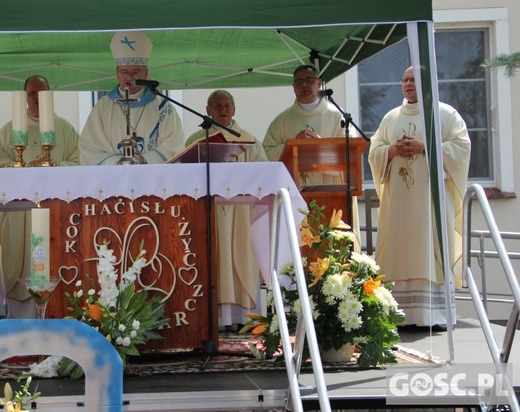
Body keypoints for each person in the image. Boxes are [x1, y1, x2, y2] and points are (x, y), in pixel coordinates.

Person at [368, 66, 470, 329]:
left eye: (414, 80)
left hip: (431, 204)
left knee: (432, 245)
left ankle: (432, 316)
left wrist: (424, 147)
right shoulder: (390, 118)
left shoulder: (445, 115)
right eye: (405, 80)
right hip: (399, 205)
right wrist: (390, 150)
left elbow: (461, 149)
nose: (408, 84)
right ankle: (398, 314)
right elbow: (374, 151)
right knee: (399, 249)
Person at [0, 75, 80, 318]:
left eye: (41, 93)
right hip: (19, 215)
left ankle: (54, 319)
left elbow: (80, 163)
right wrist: (23, 168)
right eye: (31, 93)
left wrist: (54, 165)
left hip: (55, 213)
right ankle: (19, 327)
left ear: (49, 95)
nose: (36, 98)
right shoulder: (9, 130)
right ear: (25, 97)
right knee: (19, 266)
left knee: (53, 267)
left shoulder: (64, 129)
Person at [184, 90, 267, 327]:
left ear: (234, 110)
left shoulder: (249, 140)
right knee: (212, 260)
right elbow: (184, 175)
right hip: (208, 214)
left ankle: (244, 319)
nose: (222, 109)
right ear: (208, 111)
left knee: (240, 257)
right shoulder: (196, 140)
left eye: (227, 105)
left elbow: (263, 172)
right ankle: (212, 319)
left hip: (241, 214)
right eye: (217, 106)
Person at [262, 64, 361, 245]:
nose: (304, 85)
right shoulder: (282, 120)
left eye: (309, 80)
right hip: (295, 193)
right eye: (299, 82)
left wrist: (320, 145)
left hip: (331, 193)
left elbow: (350, 153)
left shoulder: (337, 117)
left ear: (319, 84)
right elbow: (267, 151)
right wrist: (292, 144)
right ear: (293, 87)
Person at [79, 31, 184, 165]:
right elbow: (90, 148)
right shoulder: (103, 107)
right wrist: (119, 162)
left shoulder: (162, 106)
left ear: (145, 73)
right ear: (117, 73)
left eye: (136, 72)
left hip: (151, 179)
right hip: (114, 179)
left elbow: (174, 146)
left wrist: (143, 160)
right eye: (124, 72)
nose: (130, 77)